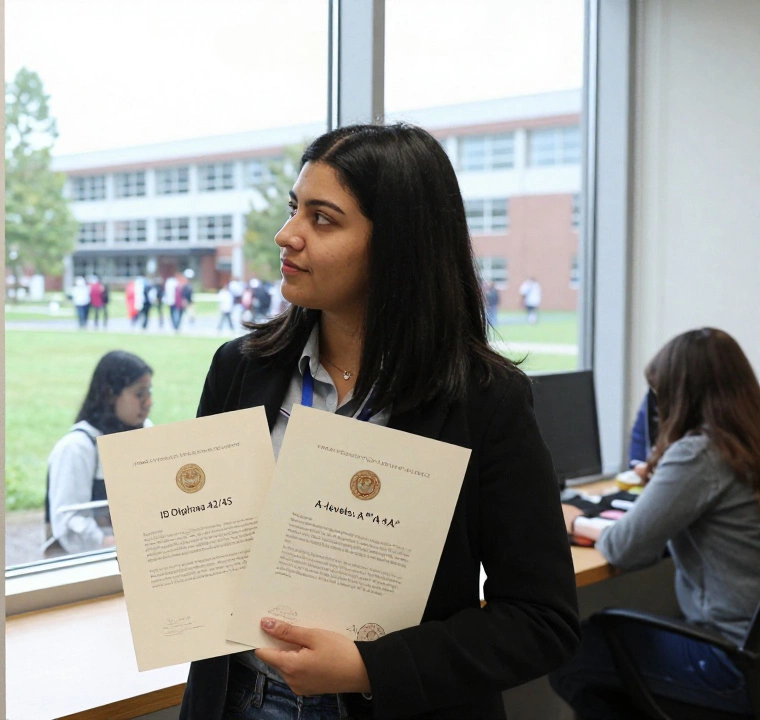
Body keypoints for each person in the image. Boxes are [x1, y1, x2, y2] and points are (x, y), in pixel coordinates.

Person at [179, 125, 579, 719]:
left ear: (397, 245)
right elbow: (212, 539)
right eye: (295, 209)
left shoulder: (484, 402)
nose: (286, 235)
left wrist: (370, 667)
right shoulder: (241, 369)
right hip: (238, 700)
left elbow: (541, 619)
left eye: (323, 218)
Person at [552, 328, 760, 718]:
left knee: (570, 650)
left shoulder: (700, 453)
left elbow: (624, 548)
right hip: (751, 650)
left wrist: (576, 521)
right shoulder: (744, 443)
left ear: (681, 396)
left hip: (729, 660)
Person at [46, 351, 152, 554]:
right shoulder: (76, 448)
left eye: (149, 393)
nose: (148, 402)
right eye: (140, 394)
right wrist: (108, 543)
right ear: (111, 394)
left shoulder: (146, 431)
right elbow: (68, 521)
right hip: (91, 566)